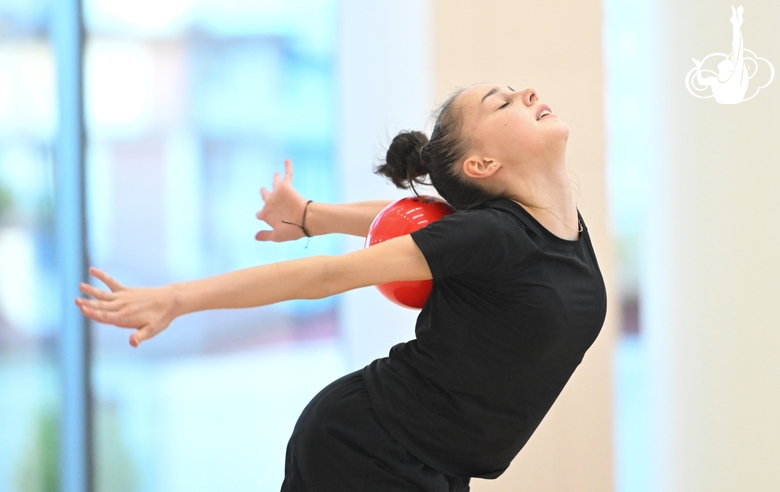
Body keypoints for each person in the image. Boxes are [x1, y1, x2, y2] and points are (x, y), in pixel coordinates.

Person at [76, 85, 607, 491]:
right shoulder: (496, 232)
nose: (528, 93)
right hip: (370, 448)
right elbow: (325, 276)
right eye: (503, 102)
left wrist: (310, 215)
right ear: (482, 164)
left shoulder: (546, 226)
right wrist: (177, 299)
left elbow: (413, 220)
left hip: (437, 465)